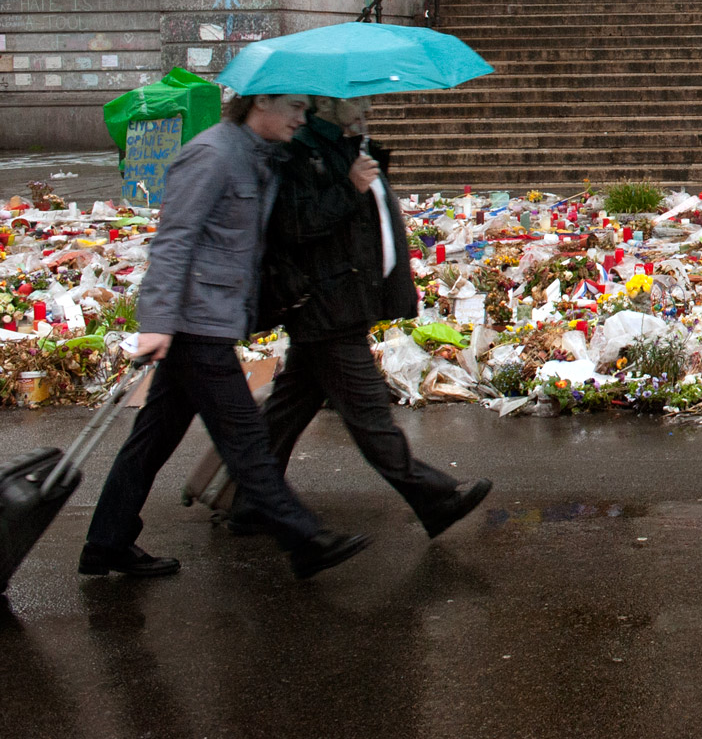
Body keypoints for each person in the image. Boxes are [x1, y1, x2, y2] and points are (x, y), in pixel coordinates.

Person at [81, 93, 371, 582]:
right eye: (296, 107)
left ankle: (106, 542)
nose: (303, 117)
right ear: (262, 103)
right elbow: (175, 238)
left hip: (211, 317)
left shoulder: (257, 154)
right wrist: (155, 322)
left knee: (151, 441)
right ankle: (304, 538)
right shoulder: (212, 153)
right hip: (195, 322)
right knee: (246, 438)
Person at [229, 96, 491, 538]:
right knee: (369, 413)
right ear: (328, 102)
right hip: (326, 302)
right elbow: (296, 225)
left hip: (339, 296)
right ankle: (434, 498)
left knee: (291, 404)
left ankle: (251, 499)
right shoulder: (302, 151)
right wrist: (348, 185)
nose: (366, 104)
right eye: (356, 99)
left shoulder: (342, 145)